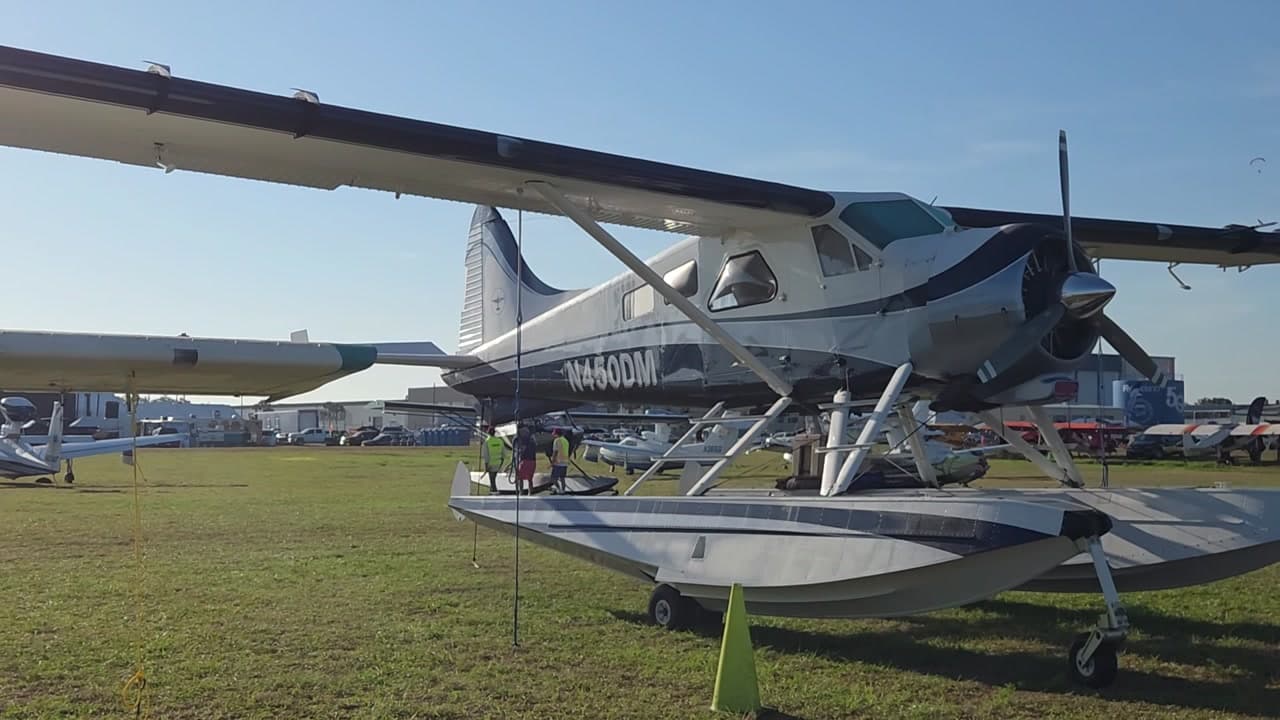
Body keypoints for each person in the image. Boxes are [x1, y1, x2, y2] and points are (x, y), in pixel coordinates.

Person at [480, 425, 506, 493]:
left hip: (490, 464)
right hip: (498, 464)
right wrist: (501, 463)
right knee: (493, 479)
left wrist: (486, 467)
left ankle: (494, 492)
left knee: (492, 480)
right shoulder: (500, 441)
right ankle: (493, 491)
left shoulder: (487, 442)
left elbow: (486, 456)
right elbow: (503, 454)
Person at [516, 425, 538, 495]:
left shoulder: (524, 440)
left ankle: (521, 491)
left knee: (520, 477)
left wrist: (518, 452)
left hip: (525, 460)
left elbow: (522, 449)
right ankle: (530, 492)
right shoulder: (533, 440)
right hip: (532, 461)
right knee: (529, 478)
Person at [550, 427, 570, 493]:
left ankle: (558, 489)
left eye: (554, 434)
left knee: (553, 478)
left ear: (556, 434)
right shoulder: (566, 440)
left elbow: (555, 451)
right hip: (565, 462)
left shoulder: (557, 440)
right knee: (562, 478)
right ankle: (563, 490)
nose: (553, 435)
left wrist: (552, 461)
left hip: (558, 462)